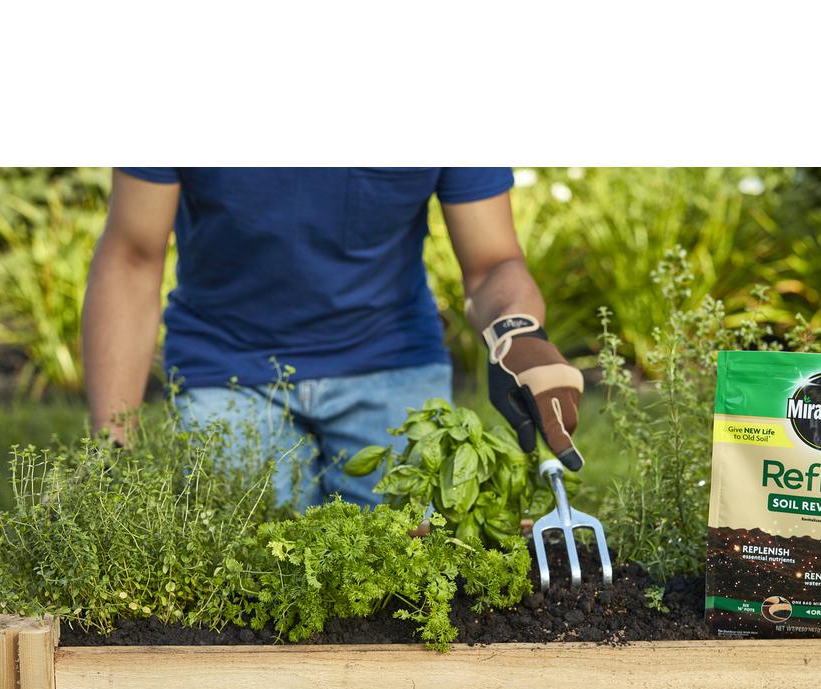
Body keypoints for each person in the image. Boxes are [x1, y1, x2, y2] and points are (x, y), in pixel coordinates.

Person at [82, 168, 585, 509]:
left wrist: (516, 332)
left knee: (407, 570)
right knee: (237, 578)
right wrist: (110, 450)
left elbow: (491, 263)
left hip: (391, 360)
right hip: (227, 367)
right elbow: (131, 258)